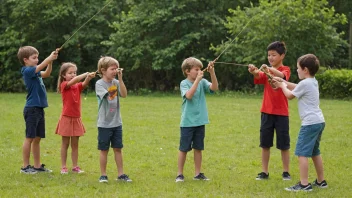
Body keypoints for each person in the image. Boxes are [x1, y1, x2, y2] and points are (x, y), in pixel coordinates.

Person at [272, 54, 327, 192]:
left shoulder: (305, 83)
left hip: (309, 123)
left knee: (302, 153)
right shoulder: (312, 81)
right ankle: (321, 181)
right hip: (319, 121)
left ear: (305, 70)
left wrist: (281, 86)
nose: (297, 70)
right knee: (315, 151)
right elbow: (297, 87)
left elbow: (290, 96)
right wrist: (283, 82)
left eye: (298, 68)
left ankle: (304, 184)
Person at [248, 41, 291, 180]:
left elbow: (283, 77)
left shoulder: (286, 69)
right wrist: (254, 71)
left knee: (284, 144)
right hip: (266, 112)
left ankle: (286, 172)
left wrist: (268, 70)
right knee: (265, 143)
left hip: (282, 113)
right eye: (269, 55)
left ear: (282, 55)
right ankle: (264, 172)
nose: (271, 58)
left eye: (274, 55)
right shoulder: (266, 71)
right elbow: (258, 76)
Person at [175, 57, 218, 182]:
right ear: (188, 71)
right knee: (184, 149)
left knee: (198, 148)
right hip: (187, 123)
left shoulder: (203, 81)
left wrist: (212, 73)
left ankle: (198, 173)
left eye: (200, 69)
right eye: (196, 69)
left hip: (200, 122)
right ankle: (179, 174)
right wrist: (197, 80)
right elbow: (188, 95)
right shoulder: (184, 83)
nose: (199, 71)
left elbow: (214, 88)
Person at [18, 46, 58, 174]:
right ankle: (25, 167)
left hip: (39, 109)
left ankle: (37, 166)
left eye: (37, 57)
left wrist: (50, 62)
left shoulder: (35, 72)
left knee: (37, 138)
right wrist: (49, 58)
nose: (37, 60)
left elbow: (46, 73)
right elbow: (40, 67)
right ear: (25, 60)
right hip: (32, 109)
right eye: (34, 58)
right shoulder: (27, 71)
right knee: (29, 137)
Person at [95, 56, 131, 183]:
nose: (115, 71)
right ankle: (103, 175)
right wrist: (115, 84)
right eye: (112, 69)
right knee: (104, 150)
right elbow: (110, 97)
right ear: (103, 70)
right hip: (104, 124)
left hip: (117, 123)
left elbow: (124, 94)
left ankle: (121, 174)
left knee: (118, 149)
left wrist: (120, 79)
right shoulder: (99, 84)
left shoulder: (116, 82)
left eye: (117, 68)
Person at [55, 62, 96, 174]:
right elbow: (75, 80)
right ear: (64, 75)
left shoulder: (77, 86)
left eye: (74, 72)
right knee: (65, 143)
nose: (73, 75)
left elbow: (83, 84)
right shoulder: (64, 85)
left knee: (75, 144)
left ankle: (75, 166)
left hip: (76, 118)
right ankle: (63, 167)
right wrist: (84, 74)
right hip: (66, 118)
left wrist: (88, 77)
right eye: (70, 73)